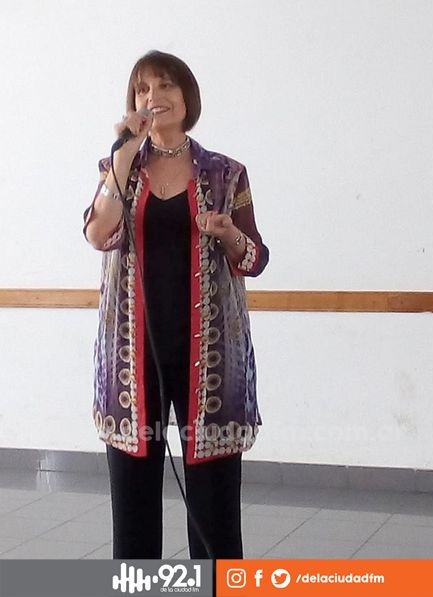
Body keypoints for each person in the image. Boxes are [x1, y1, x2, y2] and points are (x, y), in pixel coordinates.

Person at [82, 50, 270, 560]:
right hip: (133, 359)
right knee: (133, 512)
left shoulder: (226, 174)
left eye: (165, 85)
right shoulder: (119, 169)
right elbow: (97, 234)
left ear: (187, 97)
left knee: (214, 515)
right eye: (142, 89)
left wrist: (229, 235)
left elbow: (255, 257)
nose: (153, 97)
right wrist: (123, 154)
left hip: (208, 359)